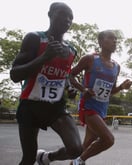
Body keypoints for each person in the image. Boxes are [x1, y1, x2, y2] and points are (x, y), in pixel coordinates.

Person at [10, 2, 83, 165]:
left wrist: (68, 88)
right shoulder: (34, 38)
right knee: (28, 158)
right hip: (30, 105)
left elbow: (62, 76)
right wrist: (44, 57)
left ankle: (46, 157)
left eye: (70, 17)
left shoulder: (71, 50)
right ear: (50, 14)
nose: (67, 20)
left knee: (76, 149)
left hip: (55, 107)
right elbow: (14, 74)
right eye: (62, 14)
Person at [69, 30, 132, 165]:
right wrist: (83, 89)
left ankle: (48, 158)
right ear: (101, 42)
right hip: (88, 107)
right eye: (111, 38)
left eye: (116, 39)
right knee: (108, 140)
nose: (115, 41)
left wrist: (121, 87)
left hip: (102, 109)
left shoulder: (116, 66)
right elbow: (70, 75)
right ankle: (78, 162)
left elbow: (110, 91)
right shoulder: (90, 59)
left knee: (86, 145)